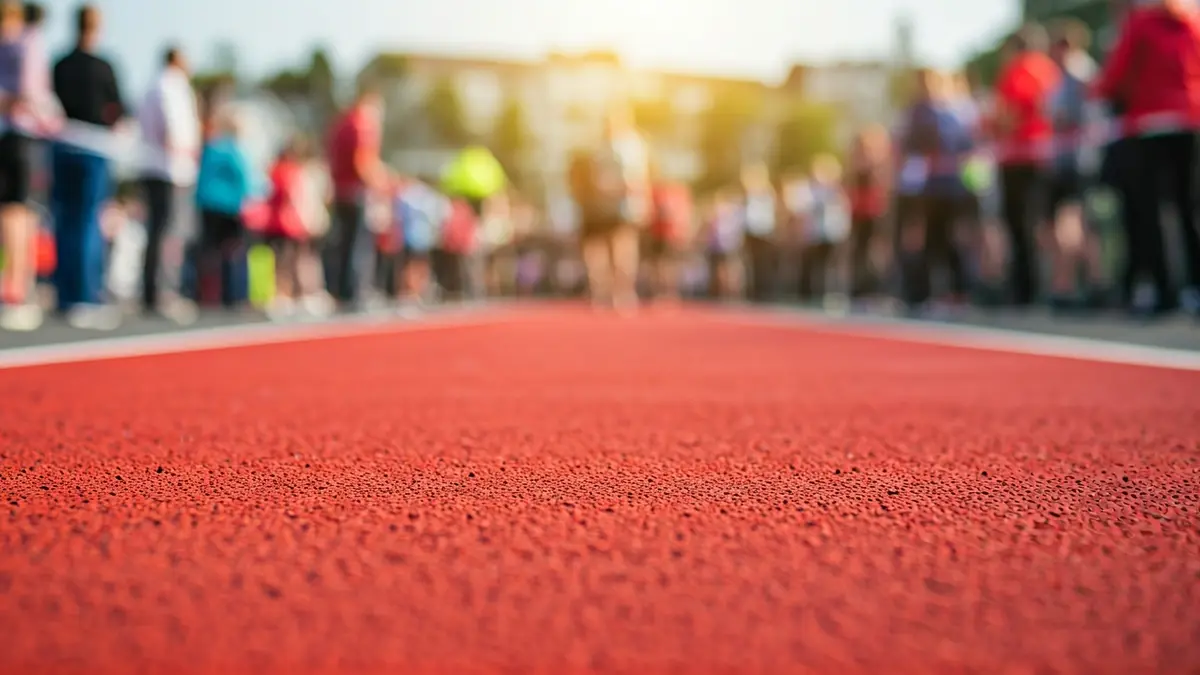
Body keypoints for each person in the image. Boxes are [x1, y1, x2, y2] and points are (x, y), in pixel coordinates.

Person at [1094, 0, 1200, 317]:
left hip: (1148, 125)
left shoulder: (1140, 23)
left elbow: (1116, 74)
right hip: (1189, 121)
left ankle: (1163, 289)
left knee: (1149, 213)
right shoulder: (1191, 21)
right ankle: (1194, 285)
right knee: (1188, 210)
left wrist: (1102, 92)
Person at [51, 3, 125, 330]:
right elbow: (118, 108)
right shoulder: (103, 67)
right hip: (92, 147)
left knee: (65, 220)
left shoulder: (60, 64)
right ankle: (85, 296)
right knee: (86, 222)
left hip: (62, 146)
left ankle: (65, 295)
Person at [994, 25, 1061, 307]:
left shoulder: (1017, 71)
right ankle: (1056, 283)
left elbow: (1006, 115)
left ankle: (1025, 288)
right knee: (1046, 222)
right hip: (1050, 155)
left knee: (1020, 225)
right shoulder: (1051, 71)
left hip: (1019, 159)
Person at [1045, 19, 1107, 311]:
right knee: (1075, 222)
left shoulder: (1080, 74)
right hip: (1067, 161)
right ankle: (1081, 282)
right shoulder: (1063, 77)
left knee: (1076, 222)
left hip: (1078, 161)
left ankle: (1080, 283)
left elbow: (1074, 117)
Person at [138, 45, 201, 322]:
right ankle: (164, 291)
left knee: (157, 230)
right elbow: (175, 128)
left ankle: (153, 291)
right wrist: (185, 152)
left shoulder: (154, 84)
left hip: (154, 165)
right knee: (169, 232)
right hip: (171, 168)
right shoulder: (171, 85)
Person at [325, 80, 385, 310]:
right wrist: (379, 182)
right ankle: (355, 292)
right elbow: (363, 160)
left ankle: (341, 290)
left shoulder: (340, 123)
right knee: (358, 243)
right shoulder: (362, 124)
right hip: (356, 191)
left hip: (340, 190)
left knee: (344, 242)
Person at [193, 110, 254, 310]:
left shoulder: (210, 148)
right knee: (232, 250)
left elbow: (201, 176)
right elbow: (244, 177)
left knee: (209, 250)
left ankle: (205, 294)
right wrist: (249, 200)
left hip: (208, 205)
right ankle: (233, 295)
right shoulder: (233, 150)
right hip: (229, 206)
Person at [792, 154, 851, 304]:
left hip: (832, 235)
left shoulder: (837, 192)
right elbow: (802, 209)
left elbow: (843, 213)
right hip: (814, 235)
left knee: (831, 267)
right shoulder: (810, 190)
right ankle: (809, 296)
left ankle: (831, 295)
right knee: (812, 266)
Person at [845, 125, 891, 300]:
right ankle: (859, 289)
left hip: (875, 213)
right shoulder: (855, 168)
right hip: (858, 213)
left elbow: (884, 190)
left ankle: (876, 289)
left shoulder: (880, 166)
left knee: (877, 252)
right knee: (858, 251)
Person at [740, 162, 778, 303]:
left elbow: (770, 214)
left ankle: (765, 291)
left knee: (764, 264)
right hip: (751, 232)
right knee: (752, 263)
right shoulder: (747, 194)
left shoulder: (767, 192)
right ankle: (754, 291)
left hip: (764, 232)